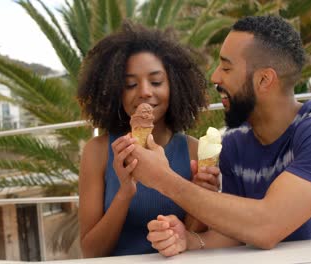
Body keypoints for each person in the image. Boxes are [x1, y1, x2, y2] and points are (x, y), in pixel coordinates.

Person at [125, 15, 311, 256]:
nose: (215, 77)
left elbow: (267, 226)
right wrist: (189, 239)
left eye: (226, 67)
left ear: (264, 79)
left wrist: (162, 178)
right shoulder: (235, 142)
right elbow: (239, 232)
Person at [76, 22, 220, 257]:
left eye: (155, 82)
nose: (144, 91)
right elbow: (91, 252)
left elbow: (191, 239)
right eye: (130, 84)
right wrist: (125, 191)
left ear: (175, 86)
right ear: (115, 90)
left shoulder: (194, 150)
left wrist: (202, 196)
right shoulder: (98, 151)